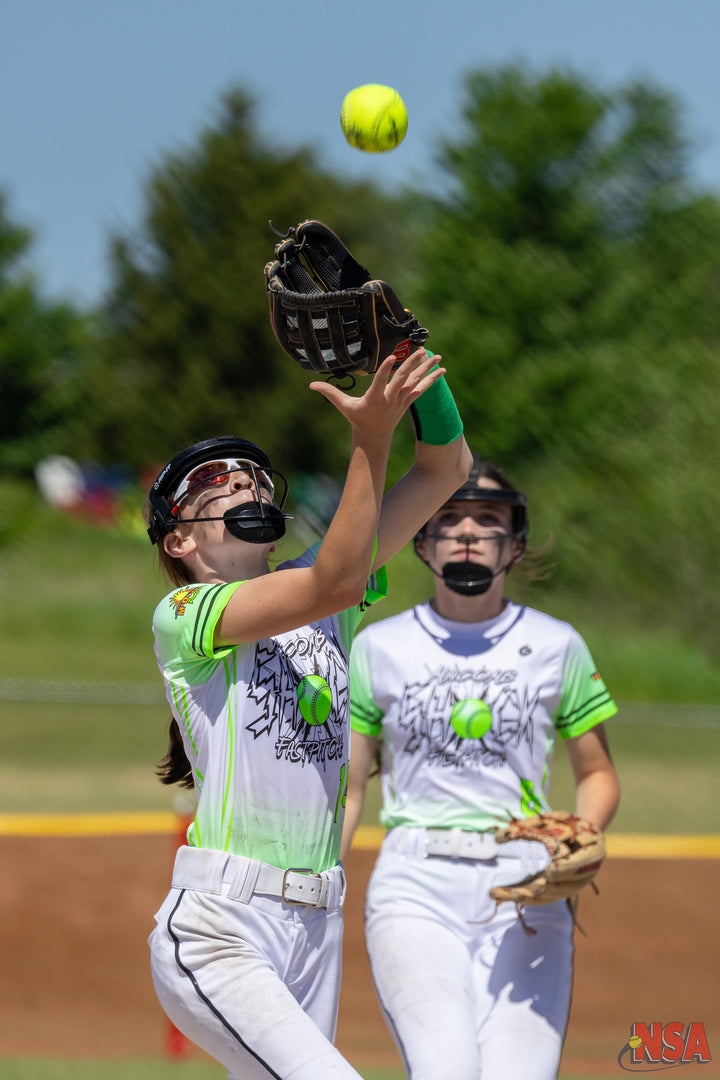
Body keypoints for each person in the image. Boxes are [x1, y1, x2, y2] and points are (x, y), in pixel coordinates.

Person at [145, 346, 472, 1080]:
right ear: (179, 538)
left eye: (253, 475)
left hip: (314, 924)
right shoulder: (185, 612)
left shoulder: (329, 588)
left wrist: (412, 361)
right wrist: (369, 438)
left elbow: (446, 470)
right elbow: (330, 583)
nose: (241, 479)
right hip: (223, 924)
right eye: (211, 482)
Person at [341, 454, 621, 1080]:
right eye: (449, 517)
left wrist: (583, 834)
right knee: (446, 1070)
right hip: (415, 881)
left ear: (514, 544)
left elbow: (598, 774)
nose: (467, 532)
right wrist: (318, 879)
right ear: (422, 540)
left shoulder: (558, 645)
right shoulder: (376, 647)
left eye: (488, 518)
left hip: (530, 887)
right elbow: (350, 789)